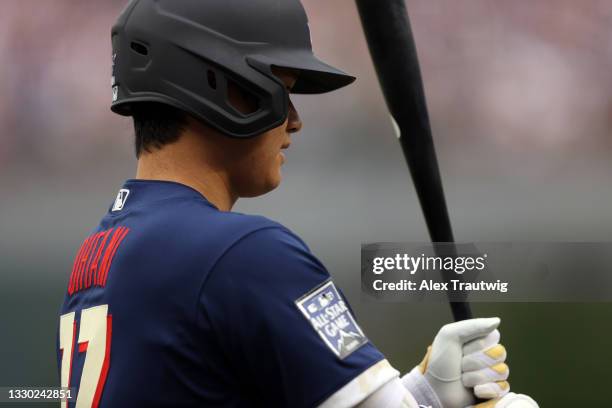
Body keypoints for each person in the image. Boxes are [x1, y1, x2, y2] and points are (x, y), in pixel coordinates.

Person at [57, 1, 539, 407]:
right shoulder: (242, 253)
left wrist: (423, 393)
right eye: (281, 90)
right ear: (222, 88)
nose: (294, 122)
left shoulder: (100, 254)